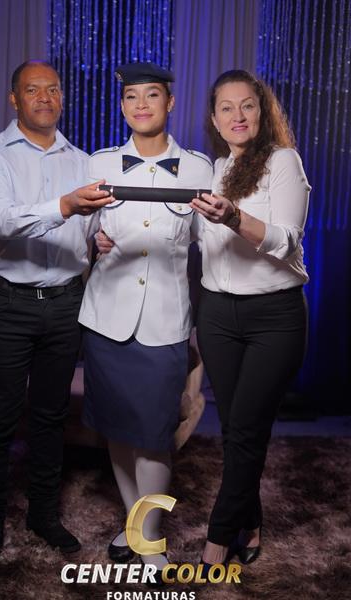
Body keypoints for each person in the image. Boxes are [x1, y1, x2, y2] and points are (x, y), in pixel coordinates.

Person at [0, 60, 111, 577]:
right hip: (6, 304)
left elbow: (91, 230)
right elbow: (2, 221)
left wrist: (99, 237)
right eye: (33, 89)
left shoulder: (84, 161)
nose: (44, 97)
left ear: (62, 98)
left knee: (51, 417)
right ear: (14, 99)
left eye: (53, 89)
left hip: (66, 302)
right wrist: (66, 206)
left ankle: (43, 515)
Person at [78, 62, 213, 581]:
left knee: (154, 434)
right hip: (106, 318)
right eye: (131, 96)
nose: (140, 105)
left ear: (169, 103)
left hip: (164, 321)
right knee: (118, 430)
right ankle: (136, 526)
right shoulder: (100, 162)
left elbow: (212, 242)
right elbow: (80, 228)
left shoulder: (199, 168)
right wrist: (93, 238)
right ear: (122, 106)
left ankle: (148, 537)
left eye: (151, 95)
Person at [189, 69, 310, 568]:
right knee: (236, 428)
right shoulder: (215, 169)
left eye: (247, 106)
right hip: (218, 314)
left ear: (262, 113)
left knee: (245, 429)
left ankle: (217, 541)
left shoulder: (282, 161)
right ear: (214, 119)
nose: (237, 116)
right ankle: (251, 522)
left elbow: (287, 241)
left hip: (273, 318)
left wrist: (235, 217)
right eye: (227, 108)